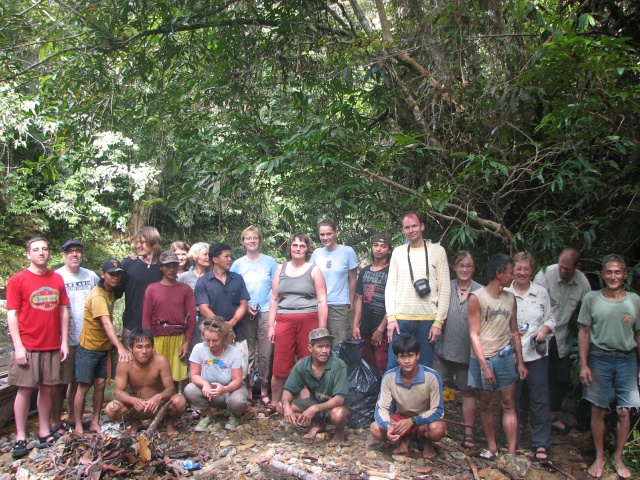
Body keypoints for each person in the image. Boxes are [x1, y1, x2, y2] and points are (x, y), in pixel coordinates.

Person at [7, 237, 70, 459]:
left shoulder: (57, 279)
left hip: (52, 344)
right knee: (24, 390)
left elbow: (63, 310)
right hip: (28, 344)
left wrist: (64, 341)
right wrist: (18, 346)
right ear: (28, 254)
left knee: (48, 389)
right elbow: (12, 314)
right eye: (36, 249)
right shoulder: (18, 280)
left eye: (44, 249)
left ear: (49, 254)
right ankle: (20, 436)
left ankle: (44, 431)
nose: (41, 252)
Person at [578, 254, 640, 479]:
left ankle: (618, 457)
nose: (613, 276)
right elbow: (584, 332)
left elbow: (638, 334)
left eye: (617, 272)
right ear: (602, 275)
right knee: (598, 409)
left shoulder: (634, 300)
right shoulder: (592, 299)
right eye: (609, 272)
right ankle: (599, 457)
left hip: (627, 359)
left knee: (624, 411)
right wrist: (583, 364)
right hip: (599, 358)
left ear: (624, 275)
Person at [467, 253, 527, 457]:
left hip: (505, 356)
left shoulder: (510, 298)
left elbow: (514, 332)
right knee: (486, 404)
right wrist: (484, 366)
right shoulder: (477, 298)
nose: (513, 276)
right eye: (510, 272)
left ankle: (511, 452)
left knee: (508, 403)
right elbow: (474, 334)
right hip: (481, 357)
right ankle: (492, 447)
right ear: (498, 273)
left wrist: (520, 362)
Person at [268, 233, 328, 411]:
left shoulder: (314, 270)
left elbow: (322, 300)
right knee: (280, 364)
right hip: (284, 320)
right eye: (295, 245)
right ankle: (274, 403)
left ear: (307, 249)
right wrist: (270, 326)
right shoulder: (281, 269)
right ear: (290, 248)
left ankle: (304, 405)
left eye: (302, 245)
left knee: (307, 362)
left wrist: (321, 330)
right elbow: (274, 299)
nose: (298, 248)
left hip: (308, 319)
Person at [533, 248, 590, 433]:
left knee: (561, 378)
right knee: (537, 377)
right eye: (561, 267)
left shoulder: (582, 282)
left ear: (577, 267)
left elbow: (589, 309)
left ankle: (552, 416)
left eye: (567, 268)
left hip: (562, 336)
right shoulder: (545, 275)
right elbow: (532, 305)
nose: (563, 271)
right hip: (540, 333)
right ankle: (533, 417)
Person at [505, 252, 555, 461]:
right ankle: (510, 440)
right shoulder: (505, 292)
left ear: (532, 270)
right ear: (512, 270)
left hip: (535, 355)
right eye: (518, 269)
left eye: (526, 269)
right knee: (510, 399)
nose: (522, 273)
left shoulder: (541, 292)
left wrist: (544, 330)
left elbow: (551, 318)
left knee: (539, 399)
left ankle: (541, 443)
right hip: (510, 354)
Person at [73, 259, 133, 435]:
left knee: (100, 385)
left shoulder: (111, 291)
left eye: (118, 274)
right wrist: (120, 347)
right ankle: (78, 425)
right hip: (89, 348)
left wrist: (129, 259)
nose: (116, 277)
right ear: (102, 275)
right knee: (83, 387)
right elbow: (106, 323)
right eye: (112, 274)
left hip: (104, 348)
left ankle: (95, 422)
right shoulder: (98, 296)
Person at [385, 211, 450, 369]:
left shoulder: (438, 251)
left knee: (424, 368)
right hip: (400, 320)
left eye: (414, 226)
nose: (411, 230)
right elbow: (391, 286)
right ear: (402, 230)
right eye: (407, 227)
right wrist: (391, 318)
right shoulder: (398, 252)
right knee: (393, 367)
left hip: (427, 319)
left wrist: (438, 322)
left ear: (422, 226)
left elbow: (445, 288)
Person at [433, 250, 482, 450]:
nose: (464, 269)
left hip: (467, 353)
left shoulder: (480, 291)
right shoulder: (446, 287)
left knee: (467, 392)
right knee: (435, 387)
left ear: (474, 268)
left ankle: (468, 433)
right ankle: (436, 427)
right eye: (461, 265)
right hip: (443, 348)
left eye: (468, 266)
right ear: (454, 267)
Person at [52, 239, 99, 434]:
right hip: (65, 338)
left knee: (79, 381)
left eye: (78, 251)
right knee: (61, 381)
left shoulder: (91, 276)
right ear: (64, 255)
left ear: (82, 254)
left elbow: (104, 295)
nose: (74, 254)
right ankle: (55, 421)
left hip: (88, 338)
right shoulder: (57, 277)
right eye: (70, 251)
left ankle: (73, 416)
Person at [371, 335, 446, 459]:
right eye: (402, 357)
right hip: (401, 419)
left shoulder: (431, 376)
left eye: (410, 356)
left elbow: (438, 410)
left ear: (418, 356)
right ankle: (403, 440)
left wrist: (413, 421)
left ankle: (427, 443)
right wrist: (388, 426)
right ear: (397, 358)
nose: (407, 361)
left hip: (423, 420)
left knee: (437, 429)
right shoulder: (389, 377)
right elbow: (381, 408)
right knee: (375, 428)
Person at [105, 328, 187, 436]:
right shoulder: (125, 363)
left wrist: (158, 397)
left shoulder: (161, 361)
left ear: (152, 347)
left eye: (148, 346)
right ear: (130, 348)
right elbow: (118, 392)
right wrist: (133, 400)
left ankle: (169, 423)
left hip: (158, 405)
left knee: (180, 401)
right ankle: (135, 423)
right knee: (111, 409)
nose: (144, 351)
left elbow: (171, 389)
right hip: (136, 406)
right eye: (139, 347)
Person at [231, 226, 278, 406]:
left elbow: (276, 287)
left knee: (266, 352)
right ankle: (249, 387)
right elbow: (233, 289)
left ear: (260, 240)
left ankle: (264, 388)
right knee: (247, 351)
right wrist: (244, 304)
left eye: (255, 238)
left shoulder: (269, 262)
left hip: (266, 310)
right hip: (245, 311)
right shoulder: (238, 264)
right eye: (248, 238)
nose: (252, 241)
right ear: (242, 242)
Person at [277, 328, 349, 445]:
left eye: (327, 346)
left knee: (338, 415)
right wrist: (286, 407)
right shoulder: (302, 364)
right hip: (315, 401)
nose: (324, 351)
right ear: (310, 348)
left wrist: (315, 408)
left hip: (333, 405)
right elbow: (288, 390)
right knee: (281, 406)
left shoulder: (338, 365)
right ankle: (316, 424)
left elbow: (340, 399)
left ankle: (339, 432)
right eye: (320, 347)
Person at [194, 242, 250, 388]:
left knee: (241, 370)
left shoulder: (237, 279)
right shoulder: (203, 282)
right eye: (226, 256)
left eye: (230, 256)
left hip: (237, 332)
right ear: (215, 259)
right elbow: (204, 308)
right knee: (214, 368)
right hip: (211, 334)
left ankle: (239, 396)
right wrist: (223, 328)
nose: (230, 259)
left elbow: (243, 304)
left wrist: (231, 323)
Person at [142, 251, 196, 393]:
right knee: (157, 374)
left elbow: (191, 317)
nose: (171, 269)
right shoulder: (152, 289)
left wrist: (187, 342)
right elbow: (146, 318)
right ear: (161, 268)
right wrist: (149, 343)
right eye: (167, 266)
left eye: (174, 266)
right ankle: (157, 402)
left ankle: (178, 402)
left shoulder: (185, 289)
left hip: (178, 337)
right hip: (157, 338)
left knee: (177, 376)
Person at [184, 318, 248, 431]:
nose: (211, 344)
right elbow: (194, 375)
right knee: (189, 389)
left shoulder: (234, 353)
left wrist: (224, 389)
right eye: (207, 340)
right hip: (209, 391)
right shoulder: (198, 349)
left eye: (215, 340)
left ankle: (236, 415)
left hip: (229, 390)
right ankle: (208, 415)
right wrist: (204, 384)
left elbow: (237, 380)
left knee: (238, 401)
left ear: (223, 337)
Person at [310, 219, 358, 343]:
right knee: (319, 342)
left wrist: (350, 300)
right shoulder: (317, 254)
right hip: (318, 304)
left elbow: (353, 280)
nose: (325, 237)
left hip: (339, 304)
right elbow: (311, 279)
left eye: (329, 234)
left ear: (335, 232)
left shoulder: (347, 251)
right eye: (322, 234)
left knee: (339, 343)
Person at [352, 233, 392, 376]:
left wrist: (380, 330)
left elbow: (393, 302)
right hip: (366, 328)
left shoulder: (392, 271)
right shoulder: (364, 271)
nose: (378, 249)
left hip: (384, 328)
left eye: (383, 246)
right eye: (375, 245)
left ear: (389, 250)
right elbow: (360, 298)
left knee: (382, 365)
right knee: (367, 367)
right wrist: (355, 325)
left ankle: (385, 391)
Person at [116, 226, 163, 348]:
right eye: (137, 242)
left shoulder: (162, 268)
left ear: (153, 242)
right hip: (131, 328)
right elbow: (114, 293)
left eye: (142, 242)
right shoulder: (128, 264)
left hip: (157, 329)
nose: (138, 246)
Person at [178, 242, 210, 351]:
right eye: (205, 254)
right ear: (195, 257)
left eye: (209, 255)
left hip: (208, 319)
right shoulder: (184, 277)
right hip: (189, 320)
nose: (208, 257)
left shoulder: (212, 276)